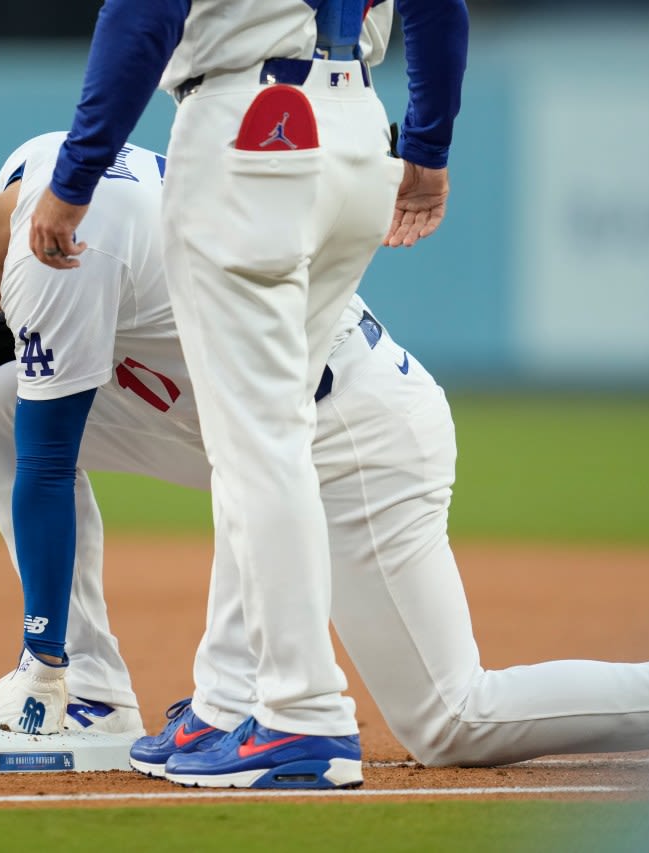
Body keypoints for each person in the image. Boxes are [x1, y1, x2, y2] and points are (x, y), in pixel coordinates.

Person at [0, 132, 649, 792]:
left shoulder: (54, 255)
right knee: (1, 395)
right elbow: (39, 337)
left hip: (353, 439)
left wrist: (31, 653)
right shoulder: (32, 177)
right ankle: (92, 687)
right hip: (253, 419)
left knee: (450, 718)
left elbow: (47, 456)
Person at [25, 0, 471, 789]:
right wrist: (428, 144)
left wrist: (76, 175)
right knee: (269, 431)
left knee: (256, 439)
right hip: (358, 130)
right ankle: (230, 699)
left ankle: (304, 713)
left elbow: (143, 15)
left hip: (249, 126)